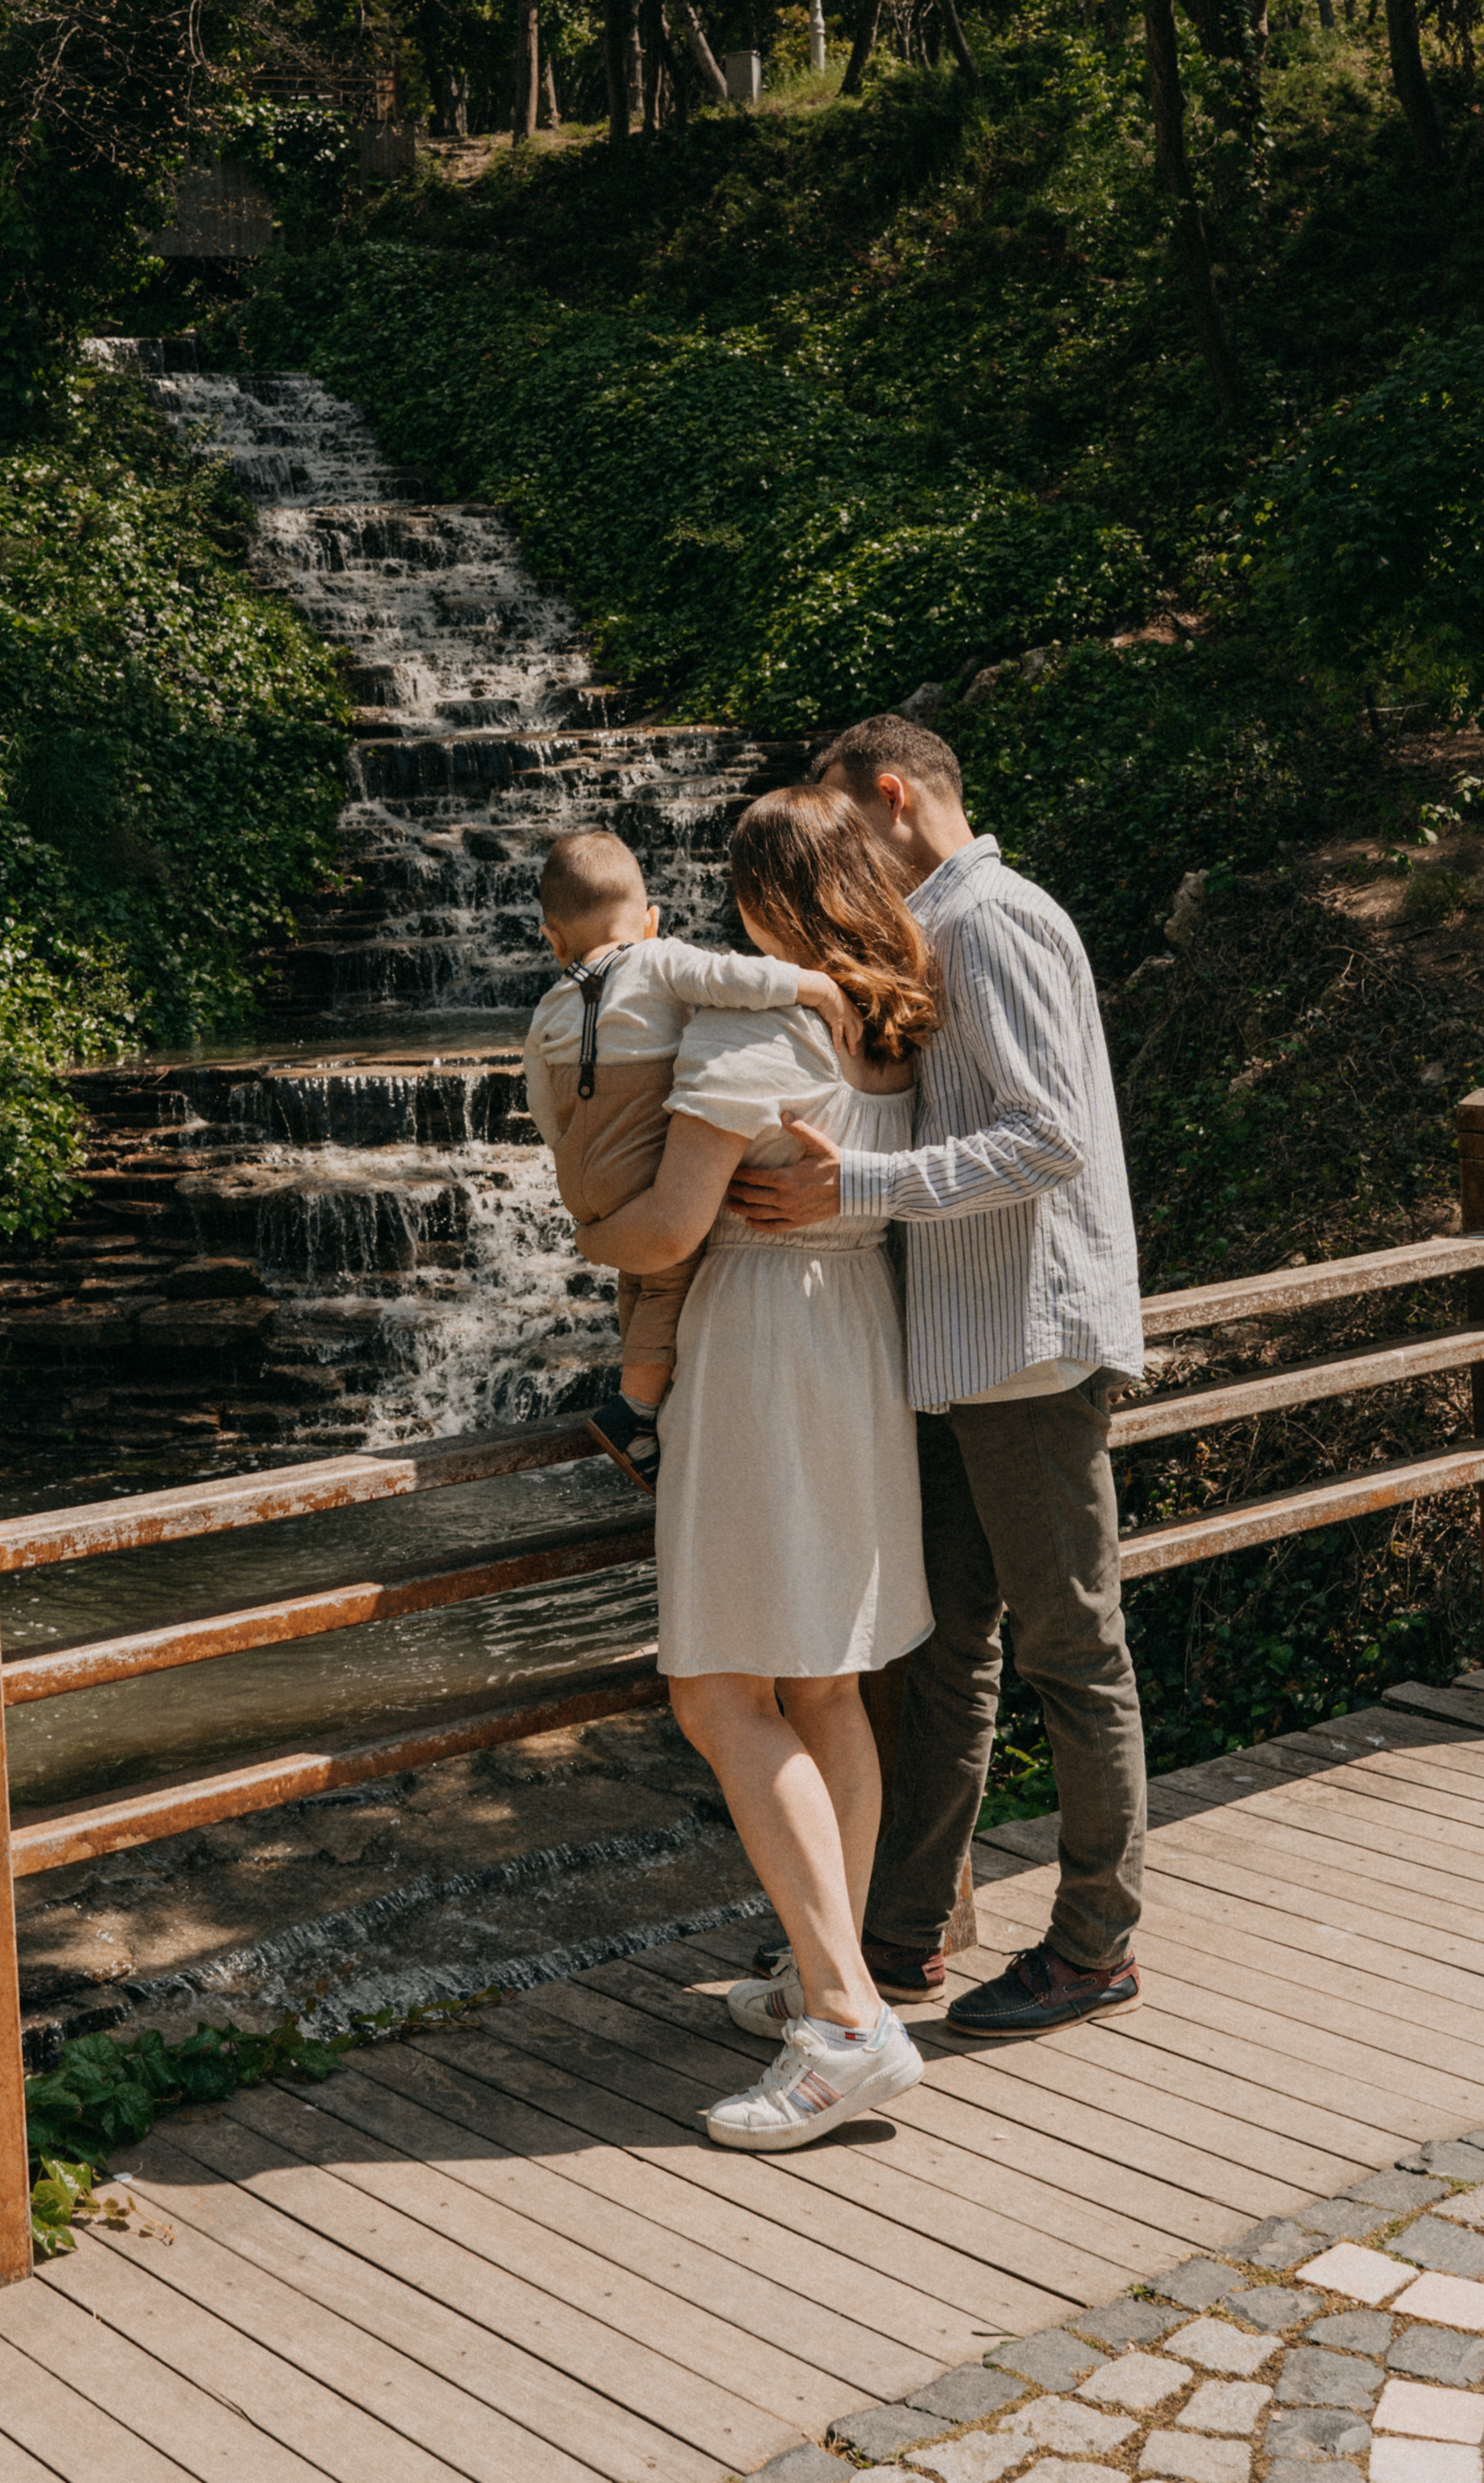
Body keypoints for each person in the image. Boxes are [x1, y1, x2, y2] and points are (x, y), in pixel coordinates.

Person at [726, 712, 1148, 2044]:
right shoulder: (935, 932)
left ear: (894, 796)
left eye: (843, 821)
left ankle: (1095, 1946)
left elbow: (1049, 1139)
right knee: (945, 1653)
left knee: (1072, 1650)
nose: (836, 853)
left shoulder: (994, 922)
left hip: (1030, 1340)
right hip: (962, 1350)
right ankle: (900, 1942)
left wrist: (858, 1185)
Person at [574, 786, 937, 2151]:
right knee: (824, 1682)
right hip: (855, 1336)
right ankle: (818, 1970)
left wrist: (592, 1228)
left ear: (762, 902)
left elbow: (671, 1230)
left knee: (722, 1690)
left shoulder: (754, 1021)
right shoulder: (893, 1022)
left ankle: (845, 2024)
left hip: (761, 1345)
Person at [525, 825, 863, 1492]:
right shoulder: (658, 961)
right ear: (650, 921)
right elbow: (735, 977)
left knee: (638, 1273)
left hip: (581, 1169)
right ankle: (636, 1410)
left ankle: (639, 1385)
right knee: (669, 1273)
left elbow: (539, 1098)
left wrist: (568, 1152)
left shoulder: (551, 1004)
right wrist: (819, 989)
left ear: (553, 939)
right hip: (636, 1161)